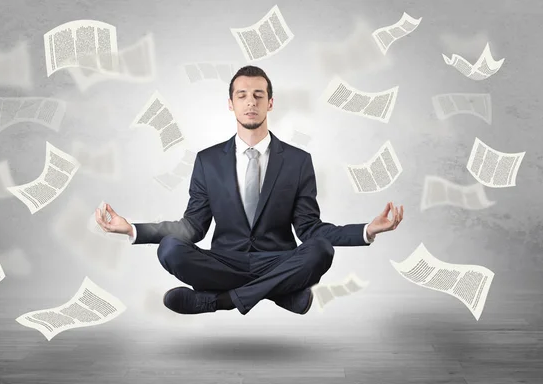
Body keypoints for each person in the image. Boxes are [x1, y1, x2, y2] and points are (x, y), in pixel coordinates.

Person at [96, 65, 404, 316]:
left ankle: (219, 301)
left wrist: (366, 230)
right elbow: (192, 227)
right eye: (242, 95)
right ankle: (281, 294)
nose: (250, 102)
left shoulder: (298, 161)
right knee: (171, 249)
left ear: (270, 102)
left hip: (277, 259)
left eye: (258, 95)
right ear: (230, 104)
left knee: (320, 250)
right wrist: (132, 229)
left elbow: (310, 229)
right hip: (224, 262)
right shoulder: (207, 161)